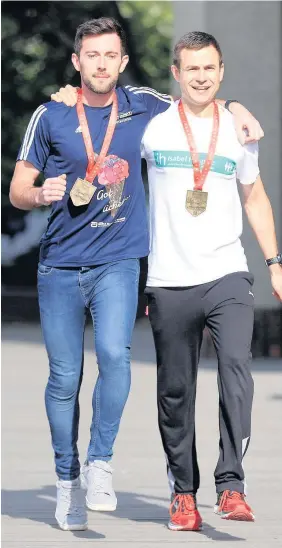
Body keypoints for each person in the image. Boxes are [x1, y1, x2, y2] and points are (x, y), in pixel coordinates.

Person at [9, 17, 264, 532]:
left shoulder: (143, 104)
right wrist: (41, 194)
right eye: (91, 56)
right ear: (77, 62)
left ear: (122, 63)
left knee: (114, 357)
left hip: (120, 263)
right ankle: (67, 480)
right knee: (64, 378)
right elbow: (17, 190)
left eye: (111, 56)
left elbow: (200, 101)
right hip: (59, 264)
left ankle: (101, 464)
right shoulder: (51, 114)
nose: (101, 64)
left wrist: (239, 108)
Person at [140, 32, 282, 531]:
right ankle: (183, 493)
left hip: (227, 272)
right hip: (169, 278)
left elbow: (256, 197)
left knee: (238, 371)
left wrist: (275, 261)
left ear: (221, 72)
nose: (201, 76)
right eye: (191, 68)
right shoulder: (152, 129)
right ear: (176, 73)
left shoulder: (241, 133)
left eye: (210, 68)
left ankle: (231, 486)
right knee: (175, 391)